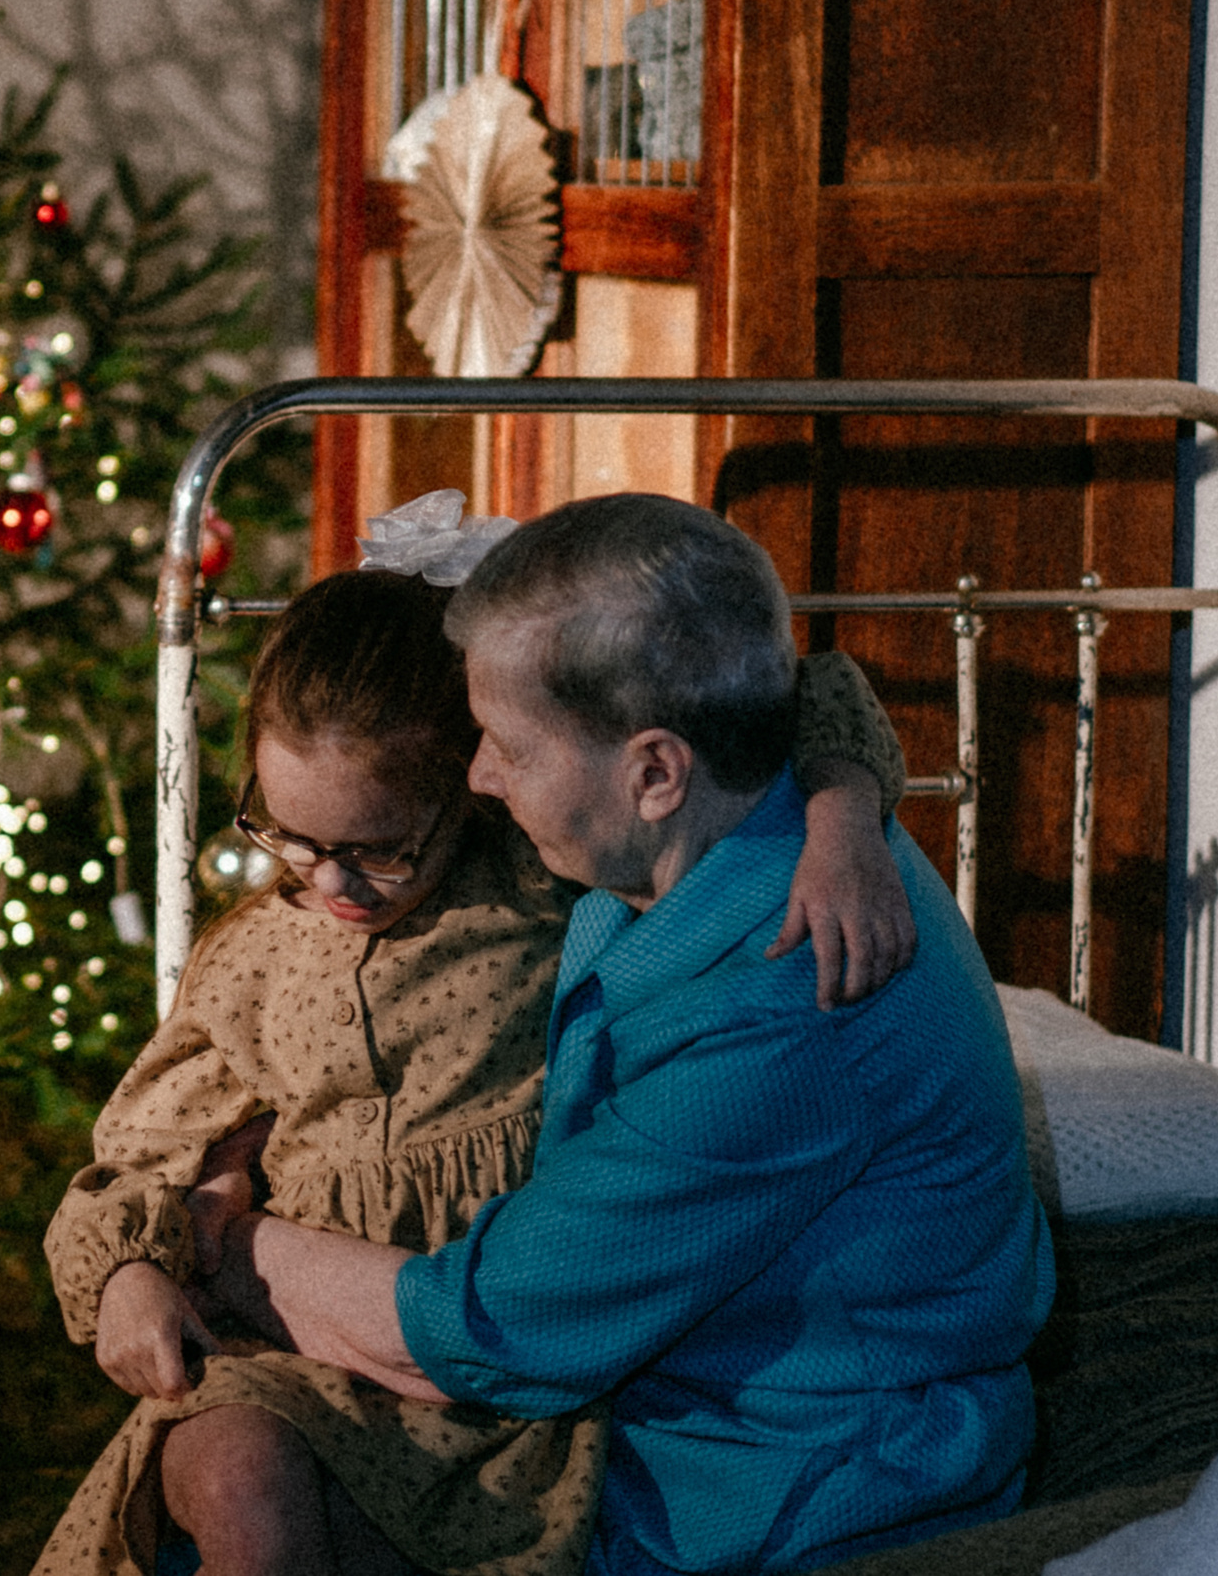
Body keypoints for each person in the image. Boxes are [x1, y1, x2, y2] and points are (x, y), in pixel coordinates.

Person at [36, 509, 918, 1576]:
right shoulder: (247, 962)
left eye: (378, 849)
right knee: (238, 1482)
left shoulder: (544, 868)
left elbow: (806, 687)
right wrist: (129, 1269)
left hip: (480, 1363)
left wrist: (841, 821)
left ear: (471, 779)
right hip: (283, 1346)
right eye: (288, 839)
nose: (330, 883)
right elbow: (137, 1147)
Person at [202, 494, 1052, 1576]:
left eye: (508, 746)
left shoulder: (777, 1005)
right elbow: (815, 691)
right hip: (648, 1432)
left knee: (250, 1497)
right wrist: (845, 797)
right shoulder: (746, 802)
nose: (478, 778)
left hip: (772, 1495)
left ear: (655, 771)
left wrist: (225, 1240)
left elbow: (493, 1330)